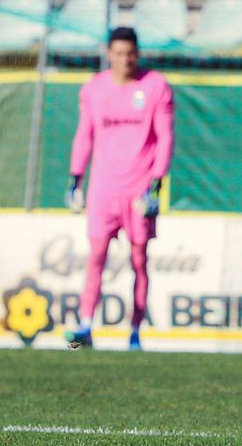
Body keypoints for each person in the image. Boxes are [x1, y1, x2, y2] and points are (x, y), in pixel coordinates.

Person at [64, 27, 174, 352]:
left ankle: (135, 331)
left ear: (137, 54)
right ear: (108, 53)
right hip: (103, 190)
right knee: (96, 255)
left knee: (138, 260)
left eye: (130, 53)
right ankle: (85, 325)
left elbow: (165, 137)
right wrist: (75, 178)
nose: (125, 59)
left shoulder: (155, 86)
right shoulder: (94, 89)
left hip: (139, 189)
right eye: (119, 53)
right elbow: (84, 134)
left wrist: (155, 184)